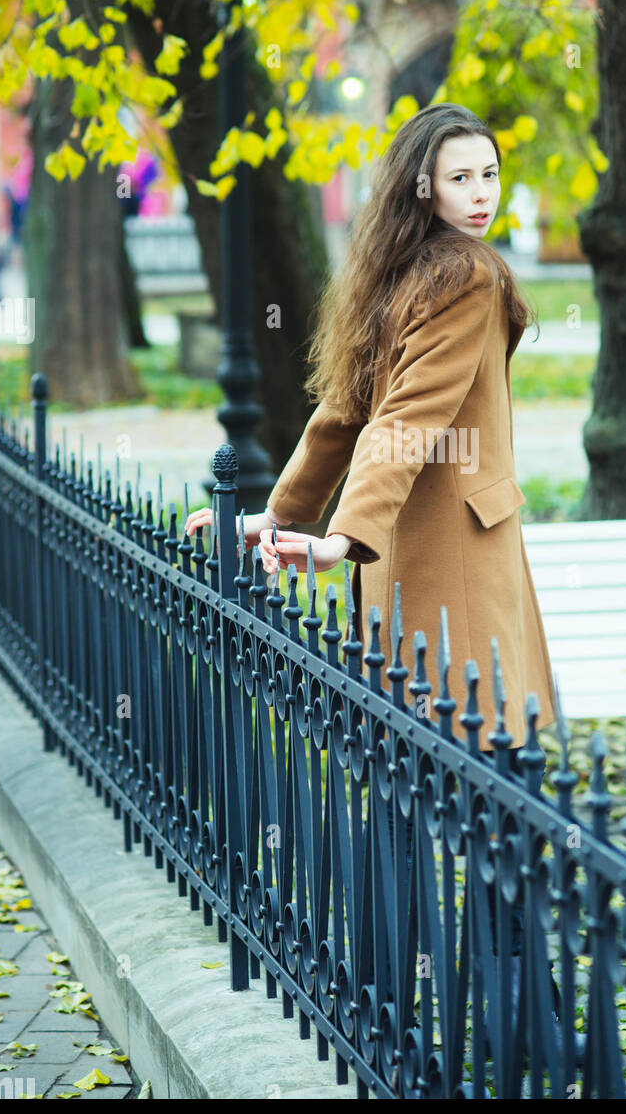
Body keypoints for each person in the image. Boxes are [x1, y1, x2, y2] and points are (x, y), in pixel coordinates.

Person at [186, 101, 557, 746]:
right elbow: (375, 417)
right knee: (471, 760)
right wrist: (297, 523)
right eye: (460, 178)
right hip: (447, 548)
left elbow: (370, 418)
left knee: (423, 756)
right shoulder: (465, 277)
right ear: (422, 186)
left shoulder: (405, 275)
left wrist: (318, 526)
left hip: (421, 542)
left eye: (489, 174)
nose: (481, 195)